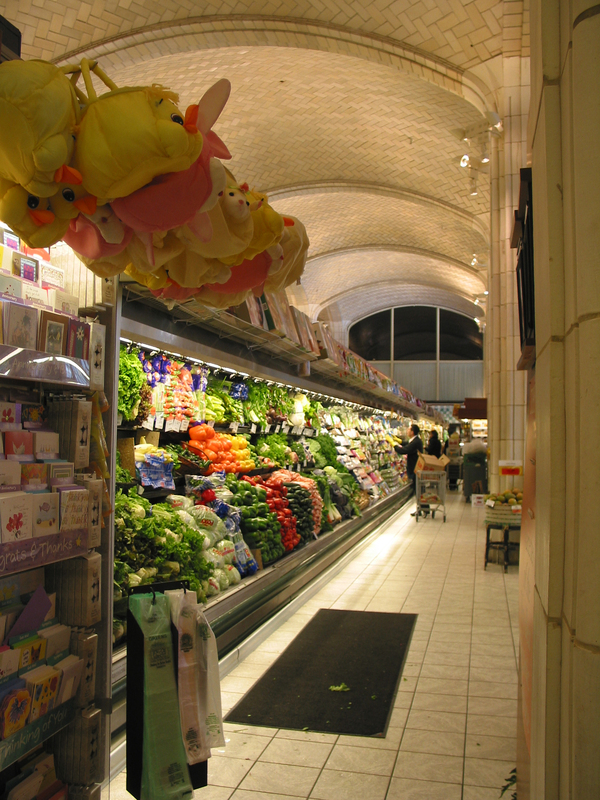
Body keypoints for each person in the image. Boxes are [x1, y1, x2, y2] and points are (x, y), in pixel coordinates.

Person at [394, 423, 423, 515]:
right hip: (416, 468)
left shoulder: (416, 442)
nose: (407, 431)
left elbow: (405, 450)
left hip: (416, 468)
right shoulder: (416, 440)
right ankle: (422, 509)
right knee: (418, 489)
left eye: (409, 429)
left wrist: (394, 445)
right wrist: (399, 441)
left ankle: (422, 508)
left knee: (418, 489)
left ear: (412, 432)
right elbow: (407, 444)